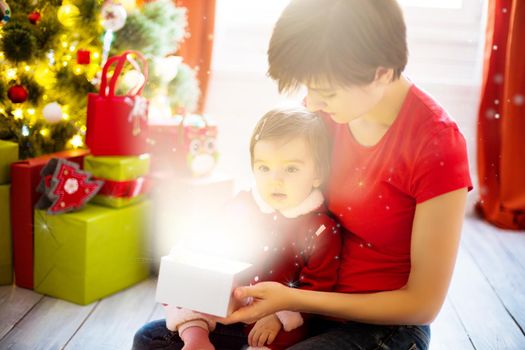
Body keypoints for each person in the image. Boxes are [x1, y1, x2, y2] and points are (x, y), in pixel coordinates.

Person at [216, 0, 473, 349]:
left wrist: (293, 300)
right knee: (157, 338)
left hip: (383, 326)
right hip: (299, 304)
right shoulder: (323, 117)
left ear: (382, 72)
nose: (312, 103)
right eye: (308, 88)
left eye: (327, 92)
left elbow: (422, 305)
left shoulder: (436, 143)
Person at [133, 107, 342, 350]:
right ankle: (196, 339)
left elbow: (316, 290)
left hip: (271, 328)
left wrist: (277, 316)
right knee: (148, 337)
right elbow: (208, 245)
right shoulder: (243, 205)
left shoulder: (319, 229)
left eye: (291, 169)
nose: (275, 179)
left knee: (275, 341)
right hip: (225, 314)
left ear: (317, 174)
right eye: (264, 168)